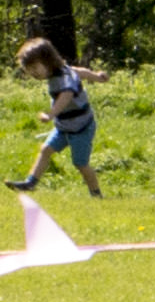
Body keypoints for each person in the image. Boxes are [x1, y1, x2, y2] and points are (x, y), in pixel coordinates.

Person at [15, 38, 95, 200]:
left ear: (48, 61)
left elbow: (67, 95)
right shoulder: (62, 71)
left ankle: (96, 194)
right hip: (64, 127)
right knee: (46, 150)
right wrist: (96, 76)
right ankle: (30, 183)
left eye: (35, 68)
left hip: (81, 128)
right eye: (29, 70)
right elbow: (79, 71)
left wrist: (51, 114)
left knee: (80, 164)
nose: (33, 73)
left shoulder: (64, 78)